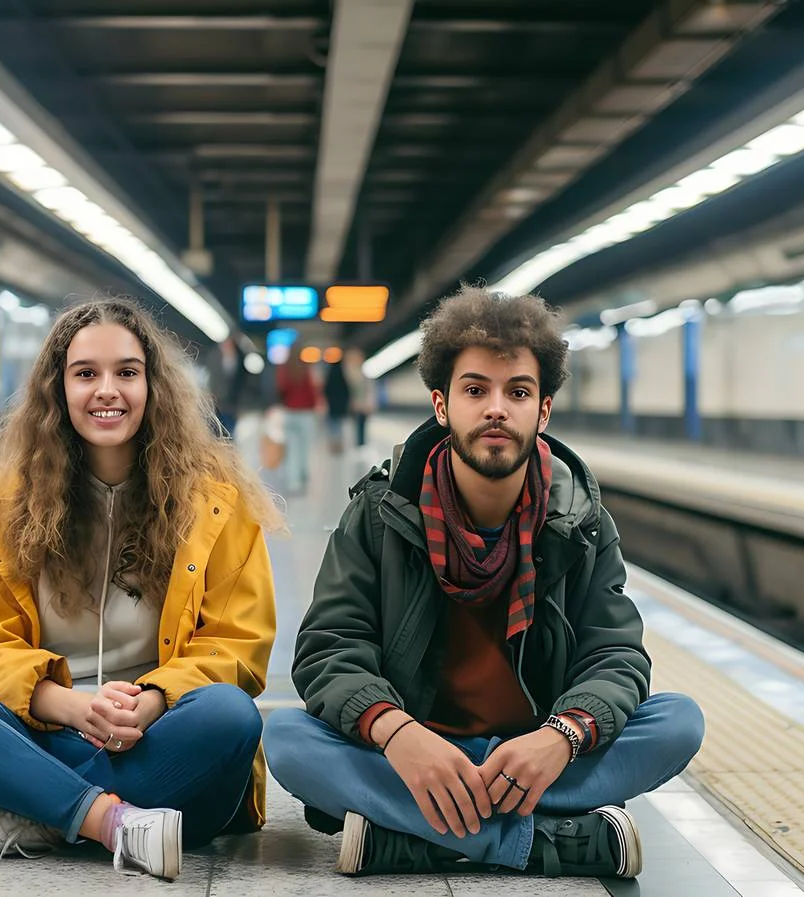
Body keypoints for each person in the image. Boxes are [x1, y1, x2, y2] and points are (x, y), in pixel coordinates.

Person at [264, 286, 704, 877]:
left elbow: (617, 656)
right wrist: (397, 734)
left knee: (678, 722)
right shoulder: (379, 512)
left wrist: (562, 736)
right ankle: (540, 840)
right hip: (418, 753)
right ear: (442, 406)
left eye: (517, 392)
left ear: (542, 411)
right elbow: (329, 649)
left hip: (532, 754)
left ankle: (415, 836)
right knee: (289, 738)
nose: (497, 408)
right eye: (476, 390)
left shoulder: (583, 524)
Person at [0, 298, 283, 881]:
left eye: (126, 372)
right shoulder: (10, 504)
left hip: (158, 738)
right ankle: (115, 822)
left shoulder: (216, 503)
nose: (107, 391)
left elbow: (237, 647)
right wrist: (69, 705)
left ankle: (39, 814)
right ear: (58, 389)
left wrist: (150, 701)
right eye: (86, 373)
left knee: (230, 715)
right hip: (49, 731)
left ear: (153, 385)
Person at [273, 348, 319, 494]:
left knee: (292, 449)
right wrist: (313, 405)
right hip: (306, 414)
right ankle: (304, 474)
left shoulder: (284, 369)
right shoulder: (305, 368)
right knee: (304, 447)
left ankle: (294, 482)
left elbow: (280, 388)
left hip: (290, 412)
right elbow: (312, 390)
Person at [344, 348, 375, 448]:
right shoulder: (348, 373)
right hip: (353, 406)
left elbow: (368, 390)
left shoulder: (363, 373)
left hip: (362, 406)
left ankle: (360, 447)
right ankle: (356, 447)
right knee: (352, 429)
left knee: (361, 429)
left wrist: (369, 403)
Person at [322, 356, 351, 455]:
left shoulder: (329, 378)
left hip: (331, 406)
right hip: (341, 407)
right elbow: (347, 392)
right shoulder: (343, 377)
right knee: (339, 426)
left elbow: (325, 391)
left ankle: (333, 445)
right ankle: (339, 445)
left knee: (332, 426)